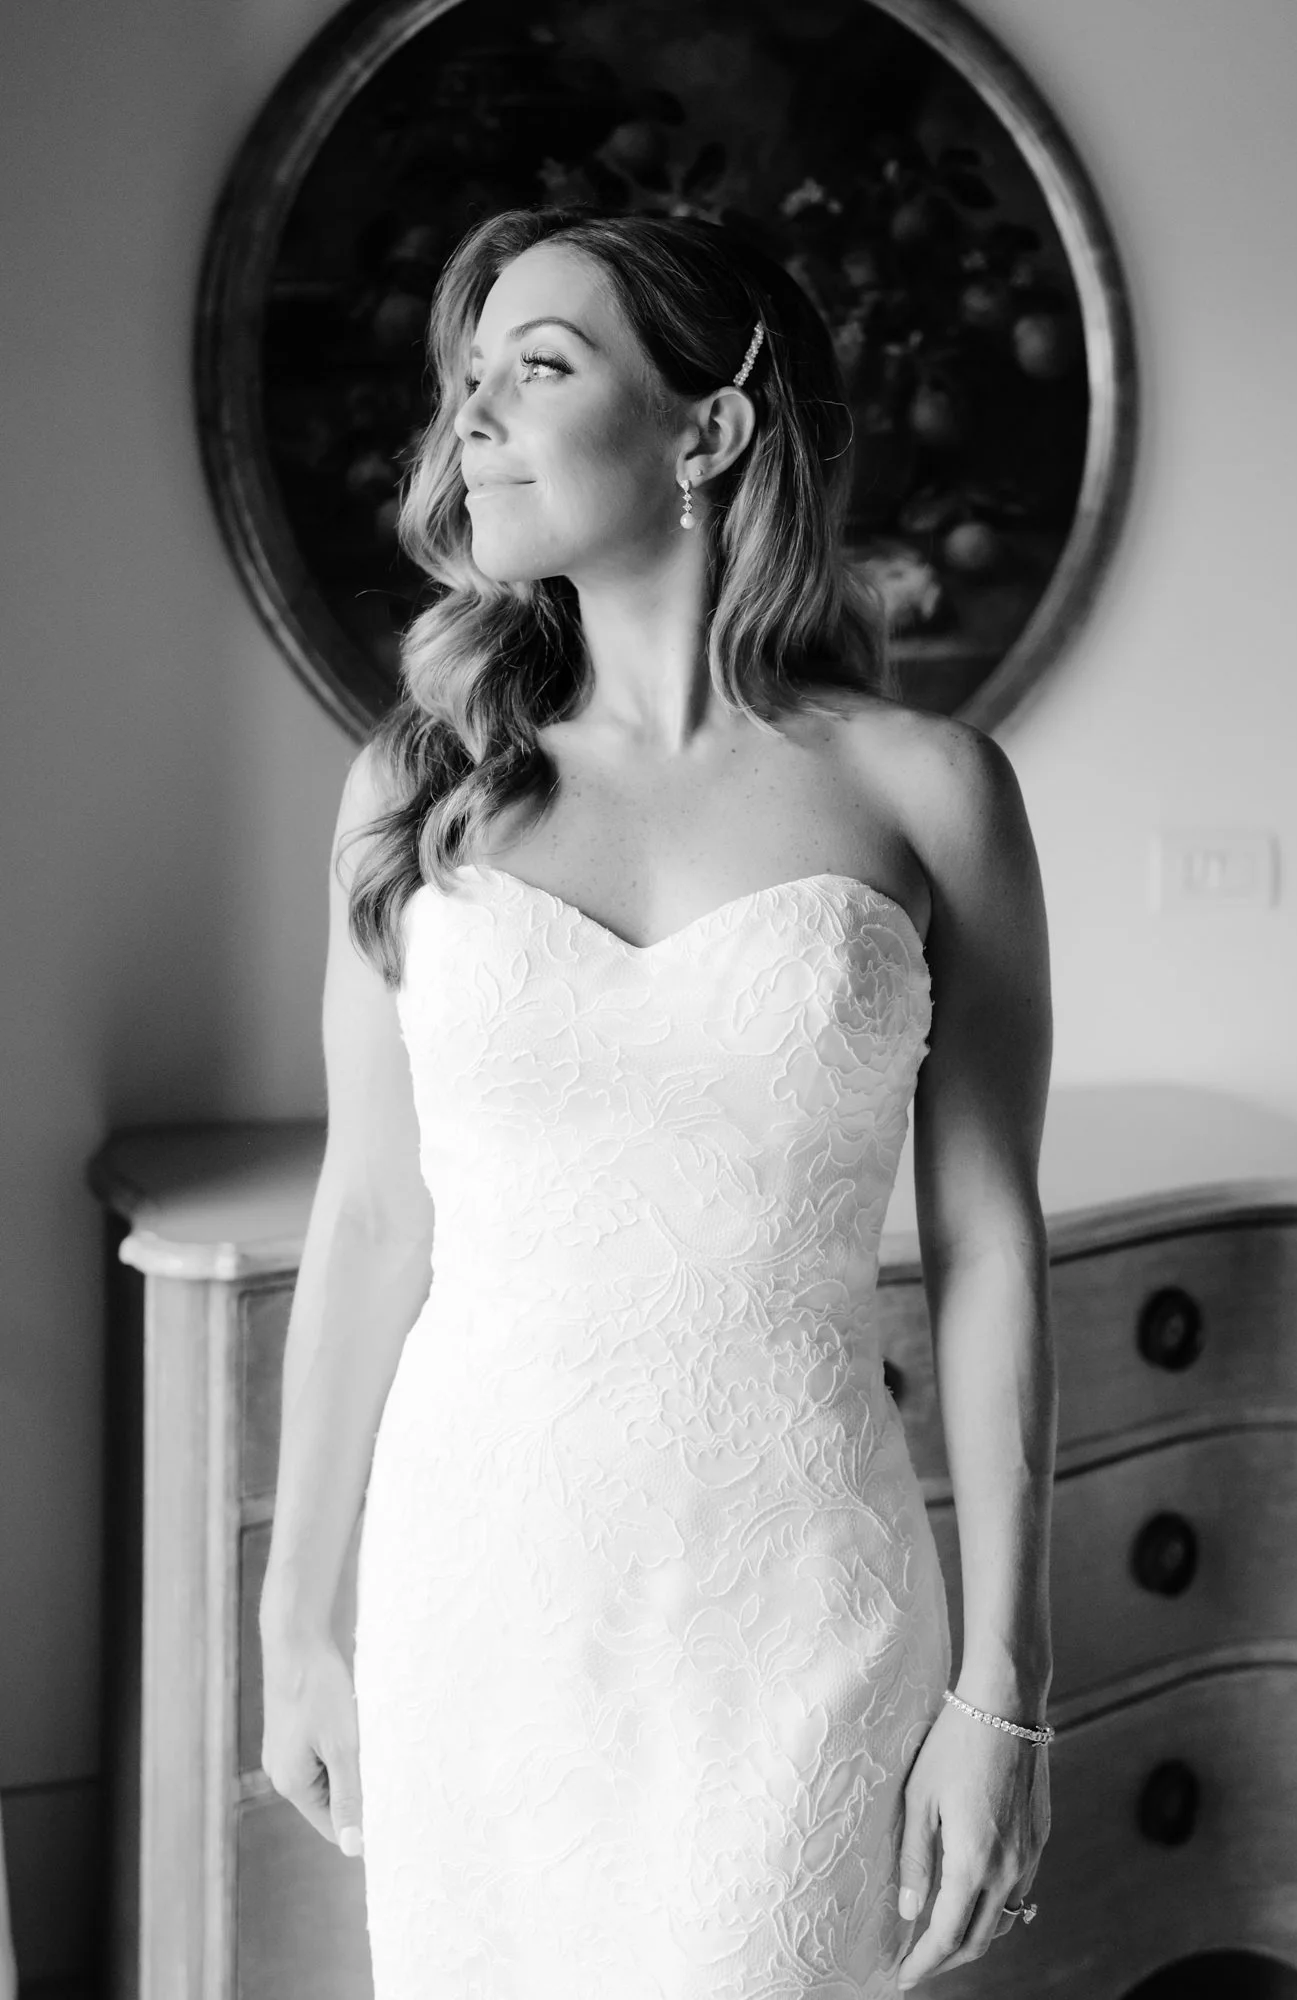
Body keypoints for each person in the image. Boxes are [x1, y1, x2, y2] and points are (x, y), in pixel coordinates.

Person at [259, 204, 1056, 2000]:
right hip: (479, 1584)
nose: (472, 416)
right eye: (466, 379)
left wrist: (1006, 1686)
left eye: (537, 367)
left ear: (706, 429)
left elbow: (991, 1242)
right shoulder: (418, 787)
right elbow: (373, 1219)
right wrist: (295, 1617)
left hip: (798, 1600)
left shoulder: (931, 793)